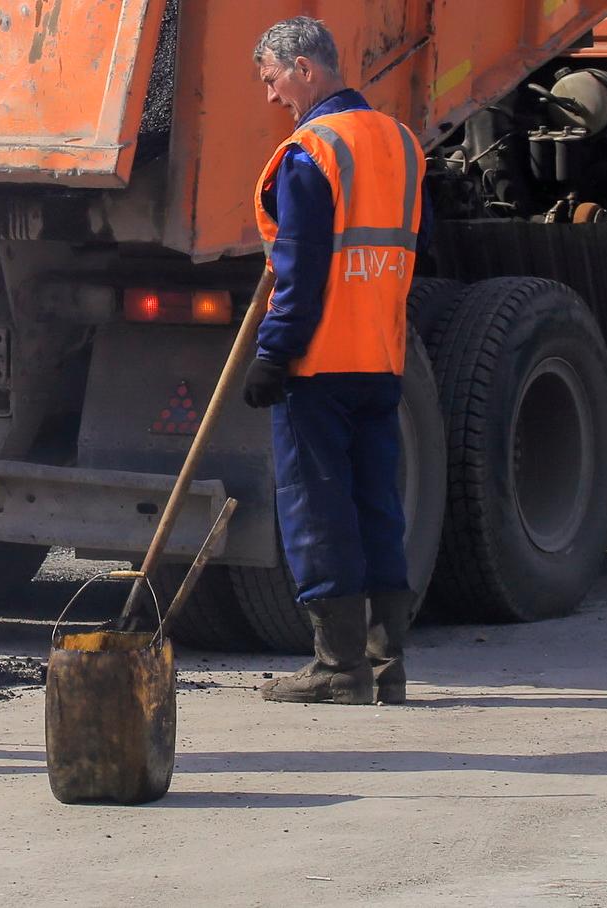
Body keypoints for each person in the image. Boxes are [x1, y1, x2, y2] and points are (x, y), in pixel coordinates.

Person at [242, 17, 424, 706]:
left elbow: (303, 270)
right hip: (381, 355)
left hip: (318, 364)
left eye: (271, 79)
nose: (270, 97)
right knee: (377, 504)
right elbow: (409, 245)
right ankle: (387, 666)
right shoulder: (403, 144)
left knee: (318, 510)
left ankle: (338, 667)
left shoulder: (310, 150)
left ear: (304, 70)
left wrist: (274, 353)